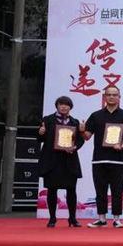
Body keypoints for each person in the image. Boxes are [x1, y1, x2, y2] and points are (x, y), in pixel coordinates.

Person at [79, 86, 123, 228]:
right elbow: (87, 136)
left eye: (115, 95)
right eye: (109, 95)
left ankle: (117, 219)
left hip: (118, 159)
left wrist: (122, 143)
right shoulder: (96, 115)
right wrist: (82, 131)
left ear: (119, 97)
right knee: (100, 190)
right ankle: (101, 218)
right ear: (105, 97)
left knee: (117, 190)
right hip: (99, 158)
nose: (111, 97)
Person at [38, 96, 85, 227]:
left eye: (66, 105)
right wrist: (41, 133)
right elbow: (40, 139)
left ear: (70, 107)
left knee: (71, 189)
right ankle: (52, 218)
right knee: (52, 190)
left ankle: (72, 218)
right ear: (57, 106)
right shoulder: (47, 120)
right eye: (61, 104)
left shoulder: (75, 122)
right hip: (51, 160)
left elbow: (80, 140)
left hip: (69, 160)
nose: (63, 107)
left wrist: (74, 147)